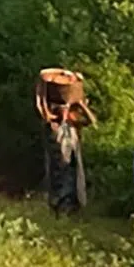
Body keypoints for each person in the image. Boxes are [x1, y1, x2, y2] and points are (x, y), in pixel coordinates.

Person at [36, 85, 97, 217]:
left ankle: (71, 209)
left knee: (73, 183)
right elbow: (43, 108)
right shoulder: (52, 125)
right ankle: (59, 210)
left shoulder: (73, 124)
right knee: (58, 184)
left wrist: (81, 105)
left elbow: (92, 120)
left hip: (72, 166)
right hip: (58, 169)